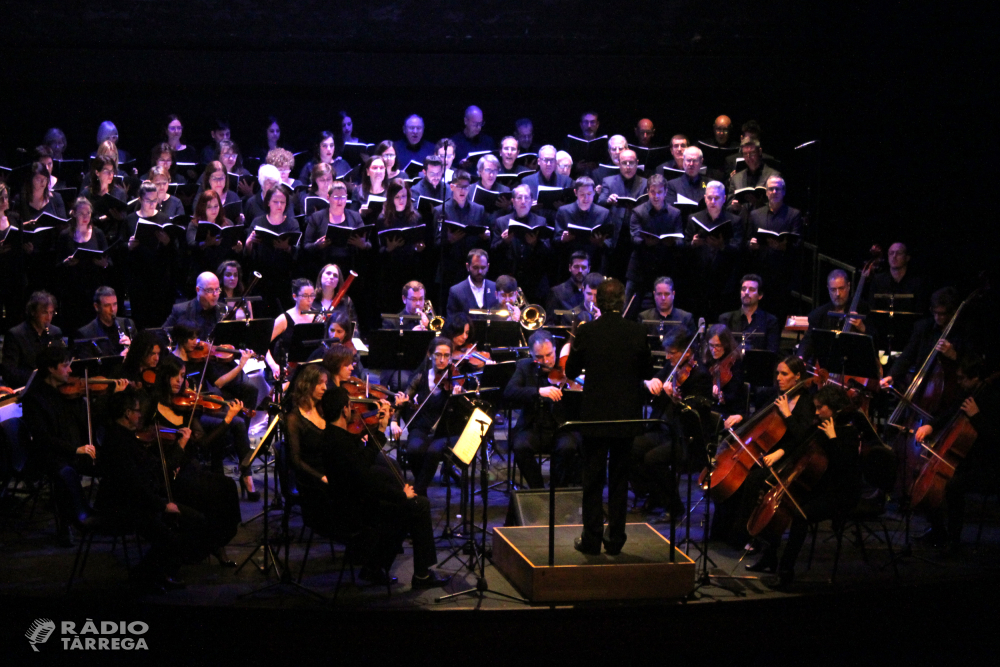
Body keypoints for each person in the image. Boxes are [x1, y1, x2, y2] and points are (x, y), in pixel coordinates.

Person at [314, 376, 446, 588]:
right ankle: (419, 575)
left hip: (346, 502)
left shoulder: (333, 436)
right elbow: (365, 480)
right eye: (350, 406)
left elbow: (363, 464)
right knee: (418, 505)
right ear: (343, 410)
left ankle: (375, 566)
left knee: (407, 507)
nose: (354, 410)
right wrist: (401, 494)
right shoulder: (340, 442)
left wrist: (380, 429)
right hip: (353, 512)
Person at [566, 279, 652, 555]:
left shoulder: (588, 330)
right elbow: (646, 371)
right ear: (622, 300)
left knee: (592, 478)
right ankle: (615, 539)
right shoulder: (637, 332)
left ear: (597, 303)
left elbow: (570, 371)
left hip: (595, 415)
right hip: (626, 416)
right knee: (618, 479)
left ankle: (591, 539)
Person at [745, 384, 862, 587]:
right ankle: (769, 557)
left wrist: (833, 438)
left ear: (833, 407)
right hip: (819, 487)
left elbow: (845, 469)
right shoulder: (821, 424)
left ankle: (786, 572)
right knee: (770, 491)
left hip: (840, 493)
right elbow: (800, 441)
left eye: (819, 408)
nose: (816, 412)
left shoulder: (848, 432)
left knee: (800, 515)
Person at [21, 345, 126, 546]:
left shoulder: (71, 393)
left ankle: (106, 512)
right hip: (52, 454)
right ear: (51, 369)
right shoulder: (34, 399)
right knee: (63, 470)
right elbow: (43, 438)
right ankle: (68, 523)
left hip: (80, 450)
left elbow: (92, 419)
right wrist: (75, 449)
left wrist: (112, 395)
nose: (70, 371)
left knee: (118, 461)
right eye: (65, 366)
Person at [148, 356, 243, 566]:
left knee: (226, 486)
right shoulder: (151, 409)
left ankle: (217, 542)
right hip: (167, 474)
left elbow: (204, 444)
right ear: (163, 377)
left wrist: (228, 420)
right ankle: (205, 547)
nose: (178, 381)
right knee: (210, 494)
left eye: (182, 376)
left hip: (190, 468)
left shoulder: (186, 408)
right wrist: (178, 446)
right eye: (174, 376)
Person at [914, 354, 999, 552]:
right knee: (923, 474)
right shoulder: (967, 393)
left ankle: (954, 540)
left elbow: (994, 438)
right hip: (963, 461)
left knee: (953, 486)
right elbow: (950, 413)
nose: (958, 382)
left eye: (962, 378)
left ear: (975, 377)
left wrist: (976, 416)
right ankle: (938, 530)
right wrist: (930, 426)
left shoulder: (993, 399)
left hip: (986, 465)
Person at [633, 326, 712, 519]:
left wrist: (677, 399)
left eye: (672, 353)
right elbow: (652, 386)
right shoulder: (671, 367)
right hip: (663, 430)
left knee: (653, 459)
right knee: (630, 447)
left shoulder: (700, 375)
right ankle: (654, 494)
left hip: (684, 436)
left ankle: (674, 506)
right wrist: (650, 383)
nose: (667, 357)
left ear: (688, 352)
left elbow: (696, 412)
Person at [504, 330, 582, 488]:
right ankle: (538, 489)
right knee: (519, 446)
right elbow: (509, 392)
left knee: (568, 447)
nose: (546, 361)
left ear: (555, 349)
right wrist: (538, 391)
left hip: (562, 428)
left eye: (549, 354)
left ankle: (557, 489)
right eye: (539, 357)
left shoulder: (569, 366)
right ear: (531, 354)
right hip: (534, 427)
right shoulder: (525, 367)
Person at [395, 337, 465, 496]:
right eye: (438, 355)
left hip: (444, 430)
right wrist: (394, 422)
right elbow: (403, 399)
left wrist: (457, 397)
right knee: (413, 450)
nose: (442, 360)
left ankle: (419, 492)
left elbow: (461, 412)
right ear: (430, 355)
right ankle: (422, 489)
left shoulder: (454, 378)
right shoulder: (421, 377)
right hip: (421, 426)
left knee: (433, 451)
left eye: (447, 356)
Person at [881, 287, 964, 392]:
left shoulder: (961, 332)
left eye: (942, 314)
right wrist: (892, 375)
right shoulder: (924, 327)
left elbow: (970, 364)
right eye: (935, 312)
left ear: (952, 312)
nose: (937, 317)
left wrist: (954, 355)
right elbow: (908, 355)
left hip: (948, 391)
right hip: (921, 388)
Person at [684, 180, 744, 320]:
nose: (712, 201)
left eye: (716, 198)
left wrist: (722, 246)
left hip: (724, 281)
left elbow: (739, 249)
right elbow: (683, 247)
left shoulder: (734, 221)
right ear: (705, 198)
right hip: (699, 281)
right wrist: (693, 244)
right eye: (709, 197)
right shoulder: (694, 218)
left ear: (724, 199)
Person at [746, 175, 801, 324]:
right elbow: (748, 240)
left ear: (783, 192)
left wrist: (784, 246)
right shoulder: (756, 214)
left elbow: (798, 244)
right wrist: (751, 244)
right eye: (771, 189)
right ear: (766, 192)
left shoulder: (793, 214)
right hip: (761, 271)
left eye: (778, 189)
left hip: (783, 273)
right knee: (760, 315)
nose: (774, 192)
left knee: (779, 315)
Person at [624, 174, 684, 310]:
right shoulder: (638, 212)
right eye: (652, 192)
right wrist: (646, 243)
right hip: (639, 268)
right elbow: (634, 238)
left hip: (665, 267)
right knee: (629, 309)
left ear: (666, 192)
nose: (656, 196)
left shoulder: (675, 213)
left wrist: (673, 243)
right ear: (647, 191)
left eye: (659, 192)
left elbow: (681, 241)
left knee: (667, 310)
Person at [123, 181, 178, 327]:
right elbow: (120, 247)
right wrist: (129, 246)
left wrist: (167, 242)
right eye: (148, 201)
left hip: (159, 278)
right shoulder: (130, 219)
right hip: (138, 278)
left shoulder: (164, 218)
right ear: (140, 199)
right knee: (141, 320)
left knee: (160, 320)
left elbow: (174, 251)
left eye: (155, 200)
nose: (152, 204)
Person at [55, 197, 110, 331]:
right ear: (73, 213)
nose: (85, 217)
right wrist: (66, 263)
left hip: (93, 287)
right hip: (72, 290)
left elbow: (109, 261)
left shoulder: (98, 233)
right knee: (74, 326)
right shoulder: (65, 235)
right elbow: (57, 263)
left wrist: (104, 264)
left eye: (88, 213)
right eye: (81, 213)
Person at [797, 269, 874, 362]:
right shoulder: (818, 314)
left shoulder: (862, 309)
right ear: (828, 289)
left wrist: (863, 328)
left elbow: (876, 339)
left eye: (841, 288)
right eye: (833, 290)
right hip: (826, 367)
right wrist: (801, 357)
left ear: (848, 286)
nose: (837, 294)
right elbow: (809, 340)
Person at [435, 170, 489, 301]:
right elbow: (436, 242)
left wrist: (486, 236)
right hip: (449, 268)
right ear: (452, 186)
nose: (463, 190)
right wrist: (449, 239)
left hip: (472, 269)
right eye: (459, 186)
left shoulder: (479, 209)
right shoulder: (441, 210)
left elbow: (486, 238)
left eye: (466, 187)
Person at [245, 184, 299, 315]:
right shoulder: (258, 222)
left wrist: (287, 247)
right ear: (268, 202)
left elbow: (298, 253)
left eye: (283, 202)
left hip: (283, 279)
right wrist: (248, 243)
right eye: (275, 202)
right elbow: (248, 255)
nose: (279, 205)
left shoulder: (292, 224)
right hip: (261, 279)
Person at [492, 184, 552, 300]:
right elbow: (493, 252)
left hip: (534, 280)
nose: (523, 201)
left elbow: (548, 253)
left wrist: (535, 244)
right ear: (513, 202)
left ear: (531, 201)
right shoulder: (501, 222)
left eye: (526, 198)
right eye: (519, 198)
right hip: (509, 280)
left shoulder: (541, 221)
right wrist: (505, 242)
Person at [377, 179, 427, 314]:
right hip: (391, 271)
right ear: (391, 198)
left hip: (411, 268)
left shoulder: (416, 217)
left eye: (404, 196)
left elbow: (421, 243)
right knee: (392, 308)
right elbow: (377, 251)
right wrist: (389, 248)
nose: (401, 200)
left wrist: (419, 248)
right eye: (397, 196)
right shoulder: (383, 219)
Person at [303, 180, 369, 280]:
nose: (340, 201)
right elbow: (306, 246)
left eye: (343, 197)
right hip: (323, 266)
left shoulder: (355, 217)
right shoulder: (317, 217)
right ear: (328, 198)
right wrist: (317, 246)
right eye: (336, 197)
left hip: (349, 266)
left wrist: (362, 245)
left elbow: (368, 244)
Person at [597, 148, 647, 277]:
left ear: (637, 163)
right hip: (615, 236)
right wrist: (608, 201)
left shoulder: (645, 183)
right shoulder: (608, 181)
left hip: (636, 235)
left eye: (631, 163)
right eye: (624, 163)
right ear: (619, 164)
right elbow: (600, 202)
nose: (628, 167)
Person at [1, 290, 63, 388]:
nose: (49, 318)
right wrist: (41, 377)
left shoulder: (55, 332)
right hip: (26, 388)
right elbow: (9, 372)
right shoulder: (15, 335)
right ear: (33, 312)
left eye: (51, 313)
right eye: (44, 313)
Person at [555, 176, 612, 272]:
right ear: (575, 192)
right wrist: (563, 239)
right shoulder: (563, 211)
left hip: (595, 263)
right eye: (582, 194)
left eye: (589, 194)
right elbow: (555, 240)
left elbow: (609, 243)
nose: (586, 198)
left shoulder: (604, 213)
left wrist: (601, 243)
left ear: (594, 192)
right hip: (569, 263)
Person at [265, 278, 318, 381]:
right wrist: (274, 366)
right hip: (289, 372)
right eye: (305, 296)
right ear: (295, 297)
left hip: (312, 370)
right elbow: (263, 343)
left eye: (312, 295)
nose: (310, 300)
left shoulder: (318, 317)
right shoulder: (284, 319)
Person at [187, 188, 244, 280]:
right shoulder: (194, 224)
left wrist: (238, 248)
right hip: (201, 270)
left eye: (216, 206)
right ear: (202, 207)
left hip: (223, 271)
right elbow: (191, 245)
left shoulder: (227, 223)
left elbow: (232, 252)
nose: (213, 210)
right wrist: (207, 243)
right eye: (209, 207)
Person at [719, 274, 782, 354]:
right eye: (743, 289)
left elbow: (772, 352)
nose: (746, 292)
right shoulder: (726, 319)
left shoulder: (770, 321)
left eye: (752, 289)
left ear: (760, 296)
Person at [73, 286, 136, 359]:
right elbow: (91, 367)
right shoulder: (85, 333)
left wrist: (132, 348)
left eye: (115, 304)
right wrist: (119, 359)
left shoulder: (127, 324)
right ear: (96, 307)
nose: (112, 309)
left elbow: (140, 357)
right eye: (107, 305)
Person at [163, 271, 225, 341]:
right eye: (210, 290)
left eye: (217, 289)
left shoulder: (225, 310)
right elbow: (162, 334)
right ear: (198, 290)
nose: (215, 294)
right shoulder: (180, 310)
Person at [445, 248, 498, 317]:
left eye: (483, 268)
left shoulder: (495, 287)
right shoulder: (456, 291)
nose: (480, 272)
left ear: (488, 267)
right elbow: (451, 320)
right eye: (475, 267)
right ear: (468, 266)